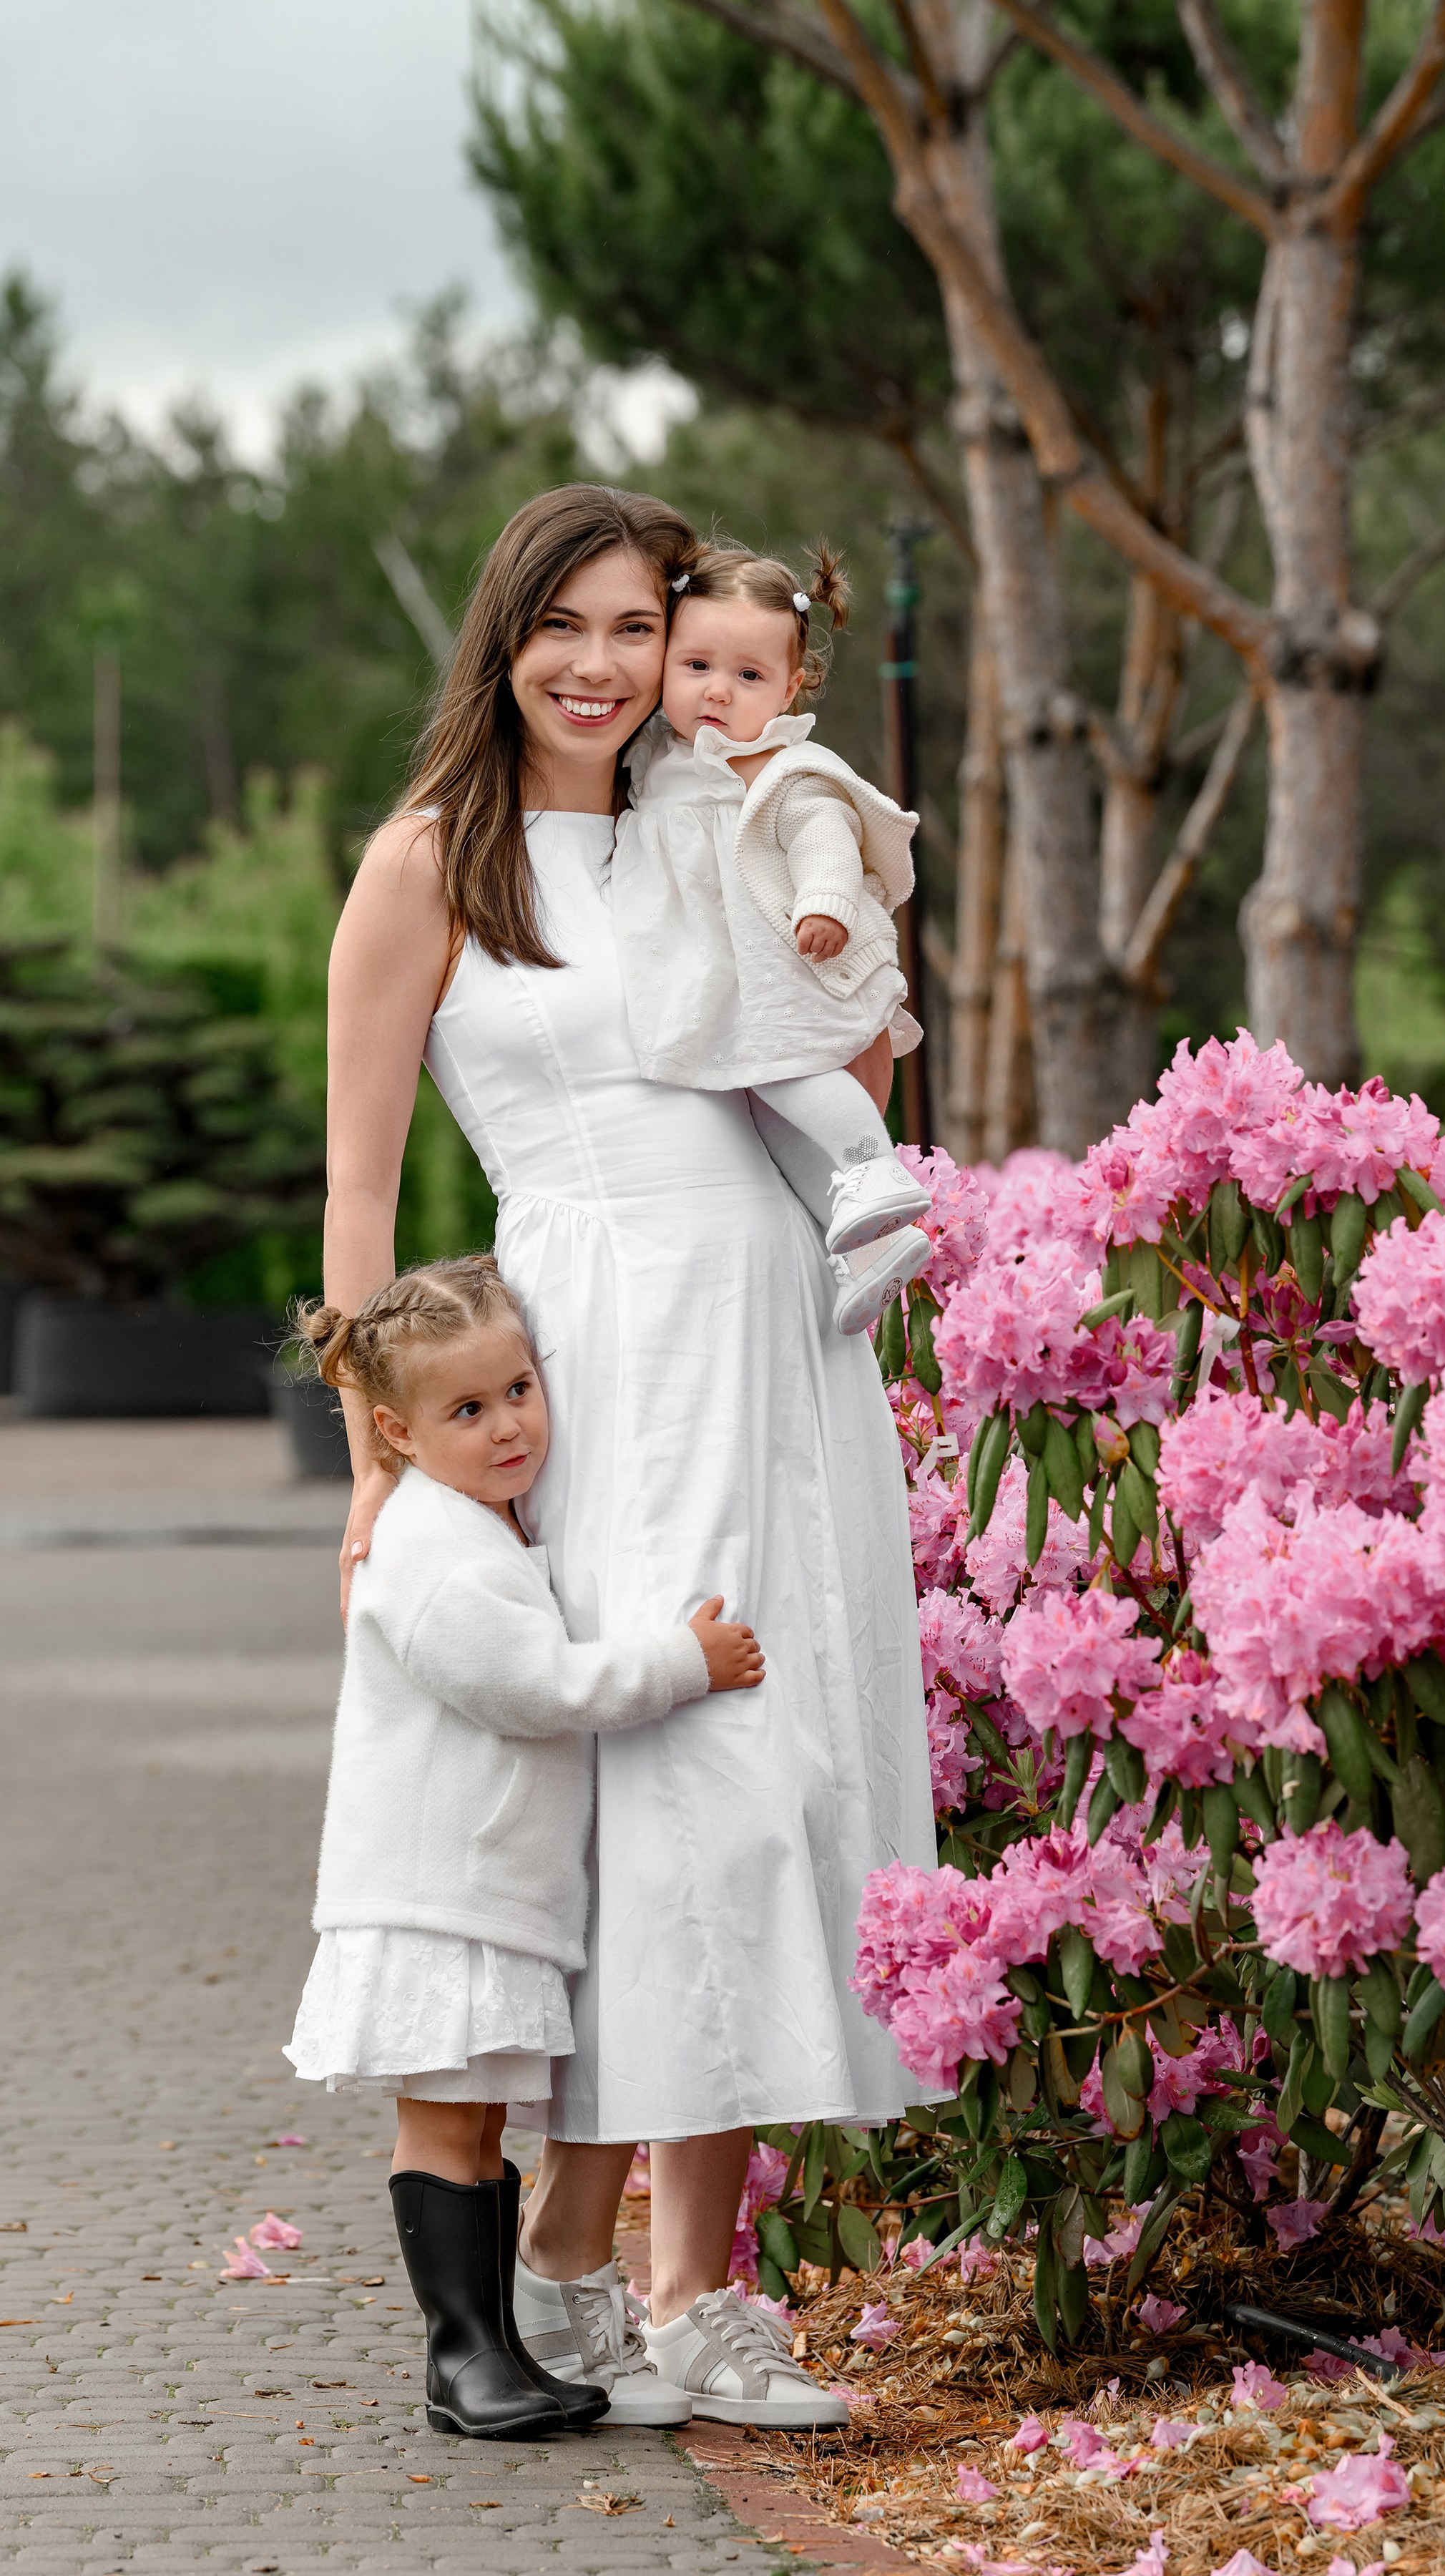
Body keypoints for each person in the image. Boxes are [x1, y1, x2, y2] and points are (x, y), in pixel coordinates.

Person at [324, 483, 939, 2434]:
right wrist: (375, 1458)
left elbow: (833, 1069)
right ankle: (613, 2270)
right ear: (503, 637)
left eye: (634, 627)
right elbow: (358, 1189)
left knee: (781, 1769)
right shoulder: (430, 860)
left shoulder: (717, 816)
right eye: (562, 626)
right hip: (592, 1344)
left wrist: (852, 989)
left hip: (774, 1324)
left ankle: (657, 2280)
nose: (598, 667)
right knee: (668, 1787)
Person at [284, 1254, 764, 2439]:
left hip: (487, 1893)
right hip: (437, 1898)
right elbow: (536, 1688)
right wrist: (682, 1663)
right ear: (395, 1433)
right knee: (447, 2122)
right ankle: (459, 2358)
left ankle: (494, 2351)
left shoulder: (479, 1529)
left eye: (518, 1390)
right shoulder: (432, 1550)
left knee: (481, 2122)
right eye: (467, 1409)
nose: (508, 1425)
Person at [612, 541, 932, 1336]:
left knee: (793, 1072)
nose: (717, 690)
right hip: (716, 975)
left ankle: (871, 1164)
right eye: (696, 666)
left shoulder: (782, 768)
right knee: (765, 1111)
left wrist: (825, 904)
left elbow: (824, 836)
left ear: (791, 688)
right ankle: (864, 1244)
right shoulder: (654, 757)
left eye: (748, 675)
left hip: (779, 968)